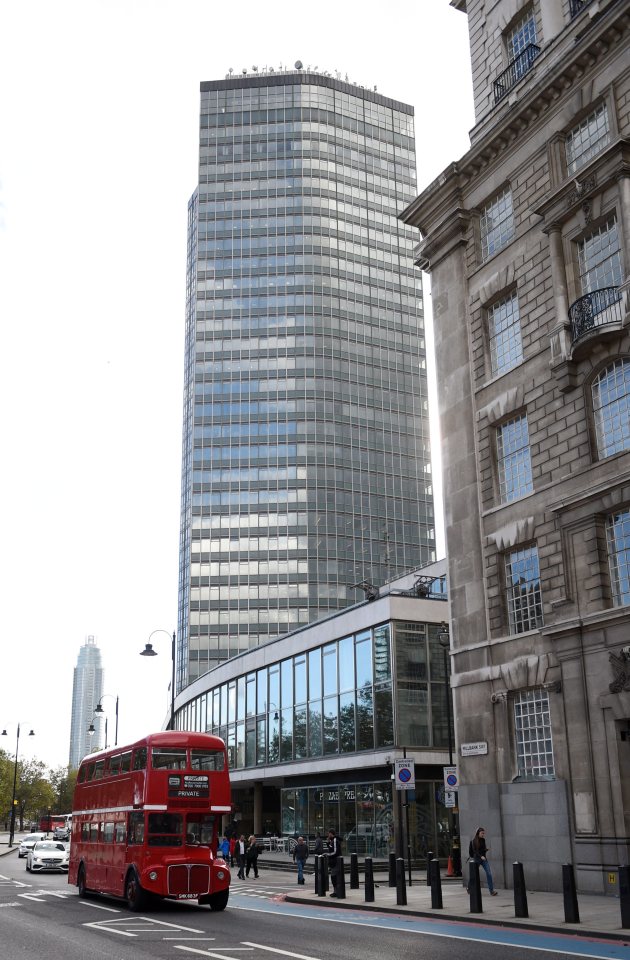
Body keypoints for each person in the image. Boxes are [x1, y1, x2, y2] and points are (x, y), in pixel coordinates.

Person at [468, 827, 497, 895]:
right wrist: (481, 856)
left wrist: (486, 850)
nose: (483, 834)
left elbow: (482, 849)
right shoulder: (474, 841)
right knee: (473, 874)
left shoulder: (483, 840)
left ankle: (491, 891)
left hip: (484, 859)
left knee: (489, 873)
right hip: (477, 859)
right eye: (482, 833)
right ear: (478, 833)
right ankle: (469, 888)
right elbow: (475, 851)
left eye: (484, 833)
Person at [326, 828, 341, 896]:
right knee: (333, 877)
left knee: (334, 877)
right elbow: (331, 848)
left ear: (331, 833)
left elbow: (335, 852)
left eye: (328, 833)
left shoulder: (335, 840)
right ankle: (336, 891)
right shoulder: (332, 840)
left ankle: (336, 891)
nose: (328, 834)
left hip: (335, 861)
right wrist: (328, 842)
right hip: (333, 862)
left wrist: (327, 855)